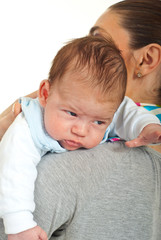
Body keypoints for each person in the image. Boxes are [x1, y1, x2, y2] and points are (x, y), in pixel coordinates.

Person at [0, 0, 161, 239]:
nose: (81, 131)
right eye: (72, 113)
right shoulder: (149, 162)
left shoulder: (58, 172)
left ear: (147, 58)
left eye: (101, 40)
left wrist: (18, 224)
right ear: (46, 93)